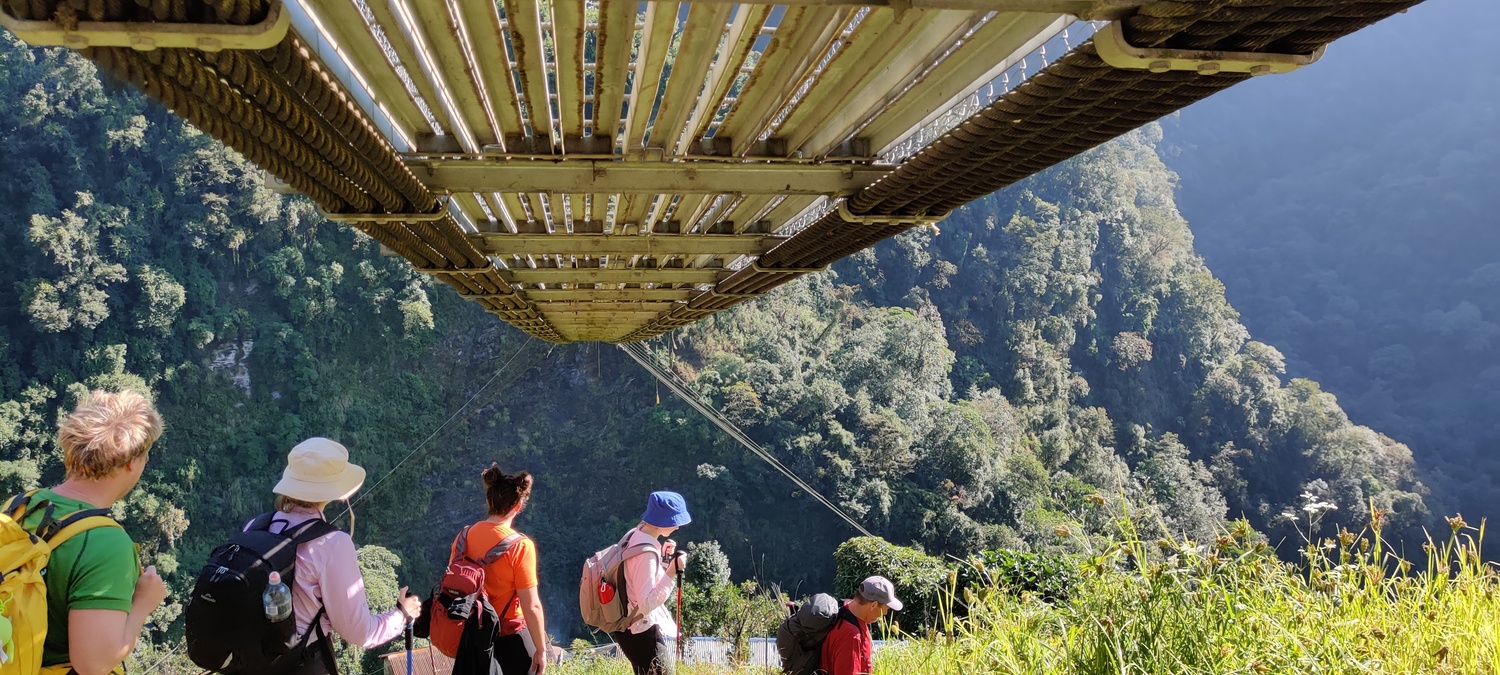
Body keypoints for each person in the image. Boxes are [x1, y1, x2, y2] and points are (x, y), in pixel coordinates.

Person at [17, 389, 169, 675]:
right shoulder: (105, 543)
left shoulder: (22, 505)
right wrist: (142, 605)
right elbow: (94, 664)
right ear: (131, 462)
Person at [259, 437, 422, 674]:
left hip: (252, 660)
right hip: (301, 663)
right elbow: (360, 632)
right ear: (334, 490)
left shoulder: (257, 526)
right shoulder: (332, 543)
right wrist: (402, 614)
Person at [449, 463, 548, 675]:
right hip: (509, 638)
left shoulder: (463, 537)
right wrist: (541, 650)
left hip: (471, 639)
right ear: (518, 506)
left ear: (489, 500)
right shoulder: (521, 546)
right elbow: (532, 607)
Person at [611, 491, 691, 675]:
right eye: (675, 521)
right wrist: (671, 571)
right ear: (664, 520)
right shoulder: (646, 553)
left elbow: (637, 578)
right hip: (641, 630)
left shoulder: (636, 535)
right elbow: (646, 603)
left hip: (628, 628)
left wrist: (662, 560)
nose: (677, 527)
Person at [819, 576, 902, 675]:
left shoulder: (848, 609)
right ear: (873, 605)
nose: (884, 614)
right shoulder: (850, 635)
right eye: (885, 609)